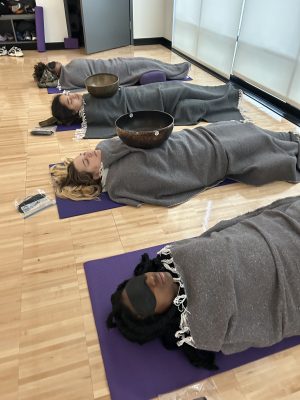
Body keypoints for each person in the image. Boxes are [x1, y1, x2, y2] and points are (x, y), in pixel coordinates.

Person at [106, 195, 300, 368]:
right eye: (146, 296)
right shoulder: (200, 327)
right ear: (157, 318)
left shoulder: (172, 255)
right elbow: (261, 324)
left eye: (139, 282)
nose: (150, 280)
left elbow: (224, 230)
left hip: (276, 229)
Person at [50, 120, 300, 205]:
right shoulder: (119, 179)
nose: (88, 153)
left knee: (245, 129)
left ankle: (290, 138)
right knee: (255, 144)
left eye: (84, 154)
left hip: (194, 138)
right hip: (204, 157)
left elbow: (134, 140)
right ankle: (291, 147)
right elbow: (166, 177)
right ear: (94, 176)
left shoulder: (108, 150)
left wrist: (103, 150)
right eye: (86, 161)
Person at [50, 82, 243, 138]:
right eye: (69, 101)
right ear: (73, 112)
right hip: (146, 105)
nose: (74, 96)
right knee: (192, 106)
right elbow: (114, 119)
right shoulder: (89, 114)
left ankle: (224, 94)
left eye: (69, 95)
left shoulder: (87, 98)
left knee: (184, 89)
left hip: (144, 93)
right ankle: (227, 101)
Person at [33, 57, 191, 89]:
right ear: (52, 73)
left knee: (148, 62)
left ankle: (177, 68)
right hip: (117, 71)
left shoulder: (69, 71)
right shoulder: (68, 78)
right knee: (147, 65)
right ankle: (179, 70)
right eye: (52, 65)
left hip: (115, 63)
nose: (55, 62)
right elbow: (47, 83)